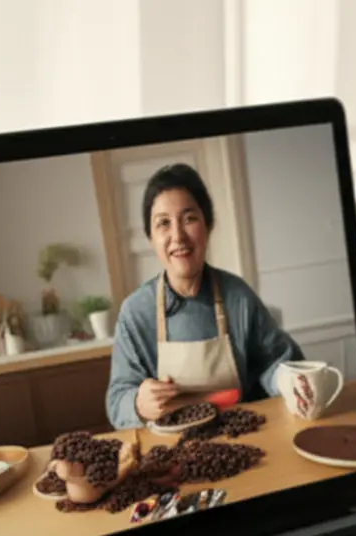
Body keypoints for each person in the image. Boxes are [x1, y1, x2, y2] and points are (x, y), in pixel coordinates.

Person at [106, 163, 302, 428]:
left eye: (189, 219)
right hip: (171, 451)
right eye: (163, 223)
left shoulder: (238, 296)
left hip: (243, 435)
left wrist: (287, 380)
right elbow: (117, 401)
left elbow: (275, 361)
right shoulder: (135, 312)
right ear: (150, 238)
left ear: (208, 225)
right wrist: (138, 403)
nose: (178, 236)